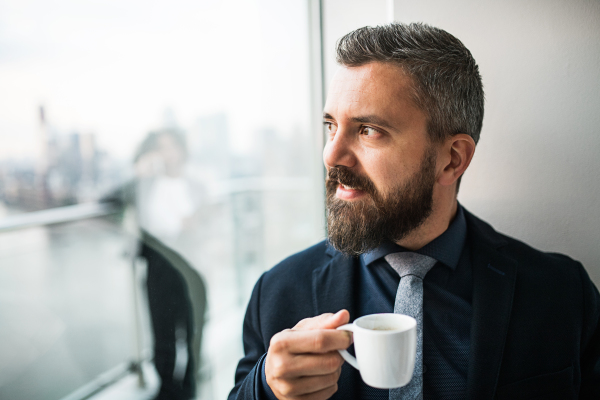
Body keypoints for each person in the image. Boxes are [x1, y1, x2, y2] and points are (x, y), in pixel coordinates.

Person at [228, 23, 600, 400]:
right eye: (331, 126)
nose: (331, 155)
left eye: (369, 130)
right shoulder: (276, 294)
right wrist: (265, 388)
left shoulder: (562, 295)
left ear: (452, 160)